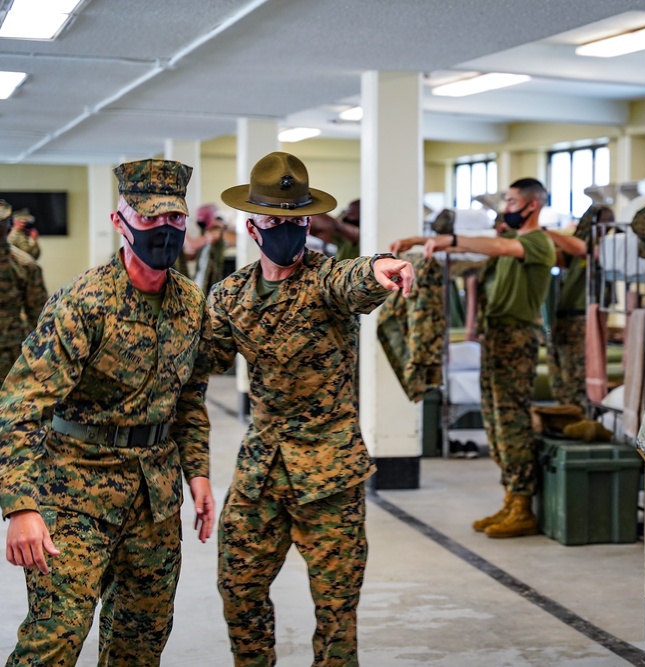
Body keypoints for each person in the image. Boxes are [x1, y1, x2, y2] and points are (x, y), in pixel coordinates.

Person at [0, 159, 215, 666]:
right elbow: (21, 404)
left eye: (175, 221)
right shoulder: (83, 302)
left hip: (155, 500)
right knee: (55, 638)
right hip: (75, 491)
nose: (164, 231)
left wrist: (199, 473)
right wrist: (20, 505)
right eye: (150, 221)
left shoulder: (191, 303)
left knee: (140, 643)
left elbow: (189, 397)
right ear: (121, 223)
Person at [208, 151, 414, 666]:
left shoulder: (325, 280)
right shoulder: (230, 294)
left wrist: (380, 267)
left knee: (336, 608)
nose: (287, 231)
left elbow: (355, 279)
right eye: (276, 222)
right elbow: (198, 363)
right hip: (262, 470)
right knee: (238, 588)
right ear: (253, 227)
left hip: (329, 471)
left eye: (297, 221)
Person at [420, 178, 556, 538]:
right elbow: (481, 254)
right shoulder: (509, 242)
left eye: (511, 201)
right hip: (496, 336)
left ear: (532, 205)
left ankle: (523, 504)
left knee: (511, 421)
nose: (505, 207)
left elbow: (496, 246)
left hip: (517, 337)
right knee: (495, 422)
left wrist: (448, 240)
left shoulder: (537, 242)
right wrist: (418, 243)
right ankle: (511, 498)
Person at [545, 204, 610, 410]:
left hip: (582, 319)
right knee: (558, 374)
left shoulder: (605, 248)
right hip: (563, 318)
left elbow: (585, 250)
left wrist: (544, 232)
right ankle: (566, 415)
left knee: (577, 376)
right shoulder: (574, 250)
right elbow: (558, 256)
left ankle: (580, 416)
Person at [0, 200, 47, 379]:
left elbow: (38, 314)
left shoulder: (24, 264)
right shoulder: (25, 264)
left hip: (11, 351)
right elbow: (38, 315)